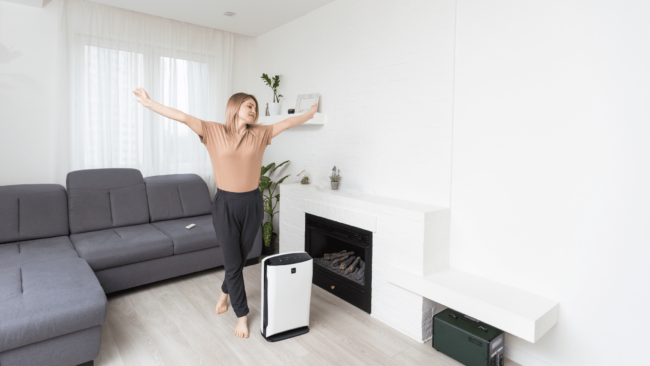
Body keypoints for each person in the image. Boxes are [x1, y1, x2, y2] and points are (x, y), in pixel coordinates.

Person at [133, 88, 317, 338]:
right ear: (235, 107)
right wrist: (150, 104)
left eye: (255, 107)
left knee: (238, 259)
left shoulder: (260, 134)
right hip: (225, 205)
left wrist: (309, 114)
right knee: (233, 261)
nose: (253, 109)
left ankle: (223, 293)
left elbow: (286, 122)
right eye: (248, 105)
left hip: (253, 203)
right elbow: (183, 117)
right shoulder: (213, 131)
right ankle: (241, 315)